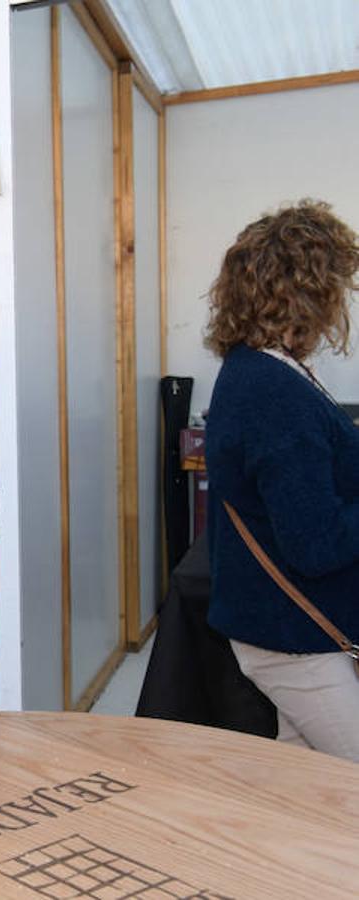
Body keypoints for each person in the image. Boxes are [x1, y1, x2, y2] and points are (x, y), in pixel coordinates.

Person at [203, 199, 359, 763]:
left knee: (303, 782)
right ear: (307, 295)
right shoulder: (272, 392)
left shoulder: (263, 370)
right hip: (294, 639)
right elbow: (314, 545)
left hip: (286, 631)